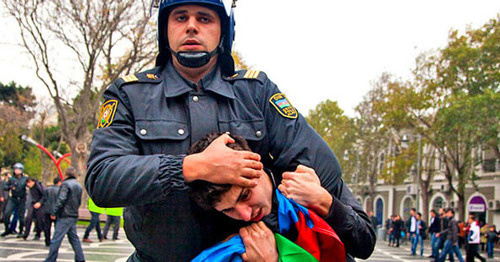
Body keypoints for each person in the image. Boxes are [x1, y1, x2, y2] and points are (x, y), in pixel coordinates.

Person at [85, 0, 376, 261]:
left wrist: (270, 239)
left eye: (204, 18)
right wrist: (193, 167)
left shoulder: (257, 92)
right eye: (180, 17)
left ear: (224, 29)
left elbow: (320, 177)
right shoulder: (128, 94)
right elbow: (102, 179)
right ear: (165, 29)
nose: (191, 26)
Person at [188, 133, 345, 261]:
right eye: (228, 210)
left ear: (255, 164)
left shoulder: (311, 186)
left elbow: (364, 242)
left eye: (245, 195)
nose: (246, 215)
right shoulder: (226, 247)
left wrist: (325, 202)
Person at [45, 167, 85, 262]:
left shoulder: (65, 184)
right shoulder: (78, 185)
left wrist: (54, 211)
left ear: (66, 175)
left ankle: (50, 259)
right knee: (74, 239)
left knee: (56, 239)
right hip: (73, 214)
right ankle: (80, 258)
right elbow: (79, 201)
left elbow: (61, 199)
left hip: (65, 215)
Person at [1, 163, 28, 237]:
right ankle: (7, 229)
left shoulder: (25, 179)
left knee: (21, 216)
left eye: (19, 169)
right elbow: (5, 187)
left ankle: (21, 230)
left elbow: (30, 185)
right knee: (7, 213)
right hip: (13, 198)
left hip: (22, 198)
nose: (17, 171)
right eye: (16, 169)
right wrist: (10, 187)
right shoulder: (11, 179)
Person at [43, 177, 61, 247]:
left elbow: (44, 199)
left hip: (47, 210)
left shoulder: (47, 189)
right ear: (59, 182)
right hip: (56, 211)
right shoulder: (60, 190)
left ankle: (47, 240)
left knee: (47, 227)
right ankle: (55, 241)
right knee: (57, 227)